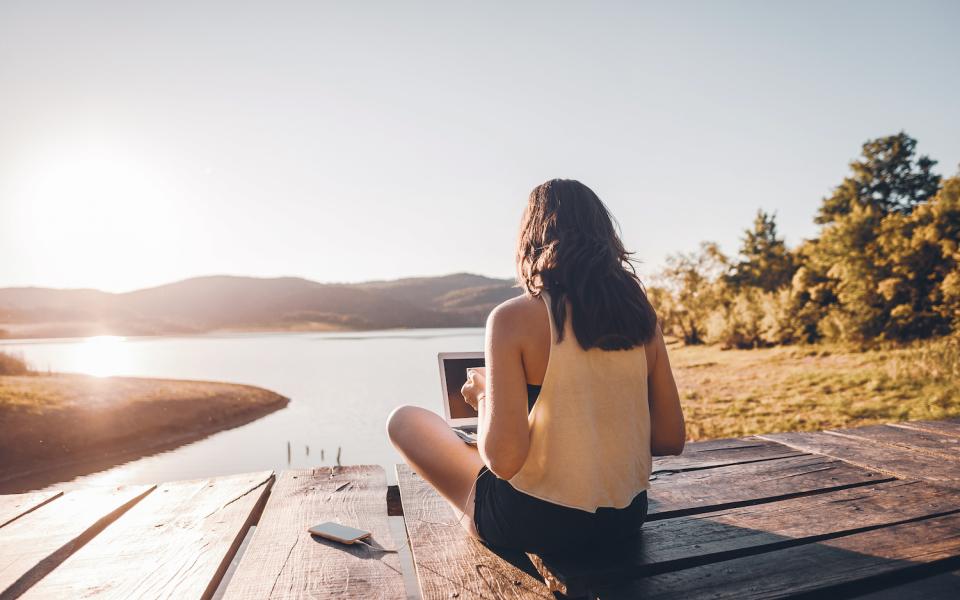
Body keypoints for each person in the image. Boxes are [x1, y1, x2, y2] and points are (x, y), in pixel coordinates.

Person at [387, 179, 685, 553]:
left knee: (405, 420)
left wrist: (483, 398)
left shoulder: (513, 318)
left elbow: (504, 462)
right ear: (606, 239)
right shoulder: (643, 320)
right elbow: (670, 438)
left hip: (533, 524)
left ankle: (469, 516)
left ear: (531, 239)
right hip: (624, 520)